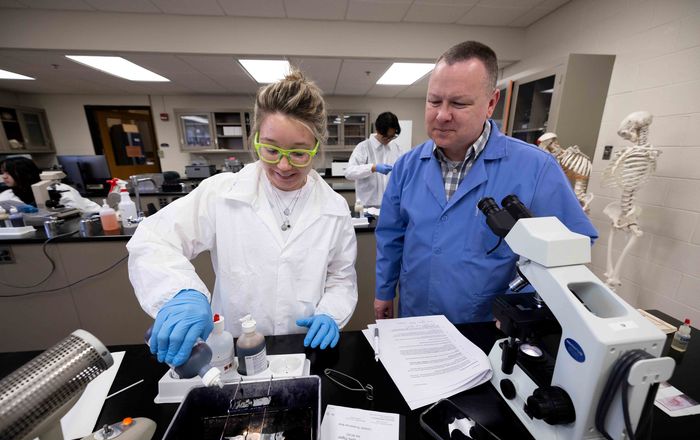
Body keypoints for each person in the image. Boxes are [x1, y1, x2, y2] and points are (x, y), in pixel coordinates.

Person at [127, 69, 358, 367]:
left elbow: (341, 278)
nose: (283, 165)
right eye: (271, 150)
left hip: (302, 349)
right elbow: (154, 238)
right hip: (231, 354)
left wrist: (330, 313)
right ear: (256, 138)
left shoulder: (334, 208)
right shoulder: (222, 193)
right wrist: (182, 293)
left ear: (317, 146)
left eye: (299, 153)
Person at [374, 41, 597, 323]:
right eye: (434, 101)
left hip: (487, 325)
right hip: (416, 314)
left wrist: (521, 303)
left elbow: (575, 244)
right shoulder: (407, 166)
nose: (442, 115)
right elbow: (391, 236)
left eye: (458, 103)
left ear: (491, 103)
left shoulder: (536, 168)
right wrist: (383, 290)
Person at [0, 156, 100, 212]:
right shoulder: (7, 195)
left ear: (24, 172)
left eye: (8, 173)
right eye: (2, 172)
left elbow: (79, 210)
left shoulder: (56, 187)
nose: (4, 176)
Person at [344, 112, 403, 207]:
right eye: (385, 137)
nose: (388, 140)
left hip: (391, 205)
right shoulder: (363, 147)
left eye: (392, 137)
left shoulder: (396, 148)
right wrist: (373, 168)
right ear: (377, 130)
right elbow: (349, 173)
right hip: (367, 206)